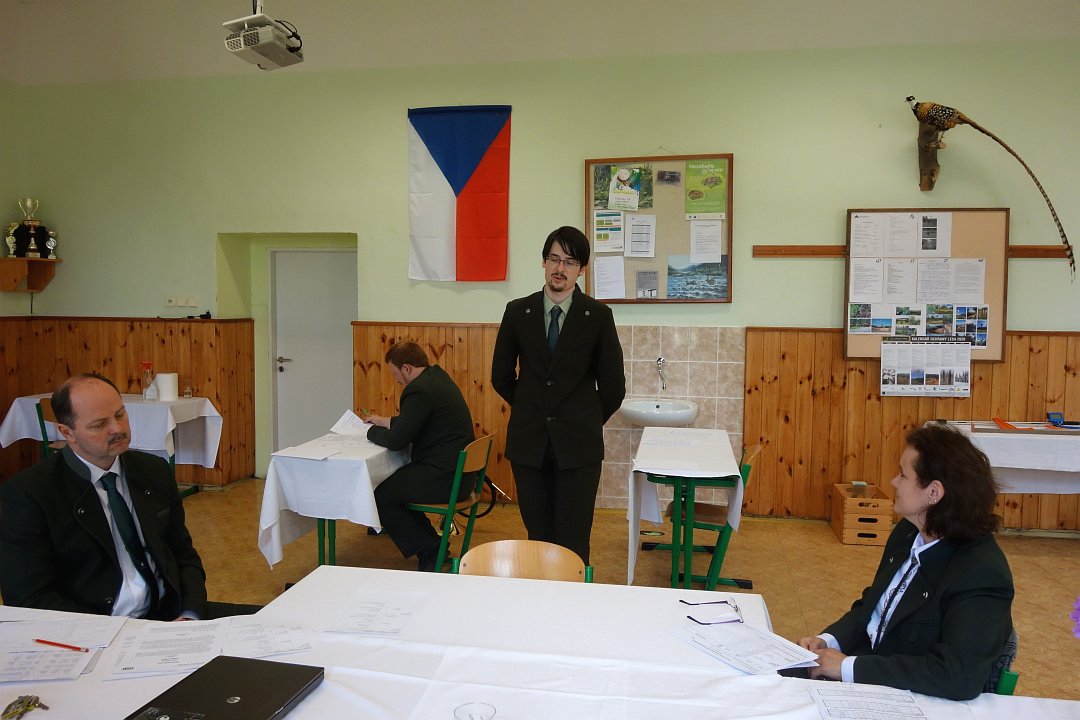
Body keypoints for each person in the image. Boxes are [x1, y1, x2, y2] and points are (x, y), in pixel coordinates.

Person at [0, 374, 255, 621]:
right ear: (67, 433)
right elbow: (30, 597)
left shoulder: (153, 471)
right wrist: (113, 633)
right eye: (99, 424)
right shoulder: (29, 495)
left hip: (170, 614)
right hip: (97, 629)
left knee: (273, 627)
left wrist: (190, 613)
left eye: (120, 414)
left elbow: (183, 553)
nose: (117, 429)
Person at [796, 423, 1014, 700]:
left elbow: (957, 675)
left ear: (934, 492)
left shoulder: (980, 572)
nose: (893, 482)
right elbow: (872, 605)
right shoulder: (907, 533)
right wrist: (827, 641)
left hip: (910, 697)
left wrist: (848, 667)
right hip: (871, 673)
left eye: (903, 475)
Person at [491, 225, 625, 564]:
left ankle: (574, 595)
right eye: (554, 259)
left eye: (569, 261)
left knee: (573, 538)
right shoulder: (517, 312)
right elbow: (500, 377)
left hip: (579, 445)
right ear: (543, 262)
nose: (559, 268)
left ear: (582, 269)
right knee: (538, 535)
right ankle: (540, 595)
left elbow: (613, 387)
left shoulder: (598, 317)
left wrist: (585, 417)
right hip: (529, 443)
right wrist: (532, 408)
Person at [363, 341, 474, 571]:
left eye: (395, 373)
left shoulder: (418, 390)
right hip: (460, 474)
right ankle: (433, 544)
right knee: (393, 488)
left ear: (406, 368)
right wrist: (385, 421)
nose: (397, 380)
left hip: (445, 478)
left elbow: (396, 441)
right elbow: (416, 421)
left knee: (379, 494)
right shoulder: (436, 378)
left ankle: (429, 550)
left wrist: (370, 431)